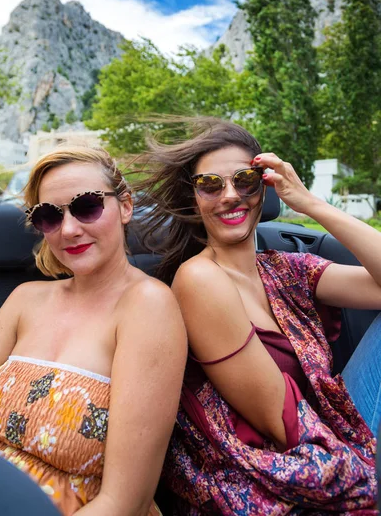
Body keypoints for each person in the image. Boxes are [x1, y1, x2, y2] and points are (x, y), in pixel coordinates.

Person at [136, 117, 380, 514]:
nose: (229, 195)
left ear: (264, 186)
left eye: (245, 180)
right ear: (194, 198)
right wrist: (362, 469)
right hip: (274, 474)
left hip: (328, 436)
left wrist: (309, 203)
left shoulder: (284, 269)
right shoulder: (199, 279)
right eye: (211, 185)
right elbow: (279, 423)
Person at [0, 145, 187, 516]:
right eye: (49, 216)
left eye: (87, 205)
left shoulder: (147, 308)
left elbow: (126, 502)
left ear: (125, 206)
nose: (70, 229)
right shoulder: (24, 299)